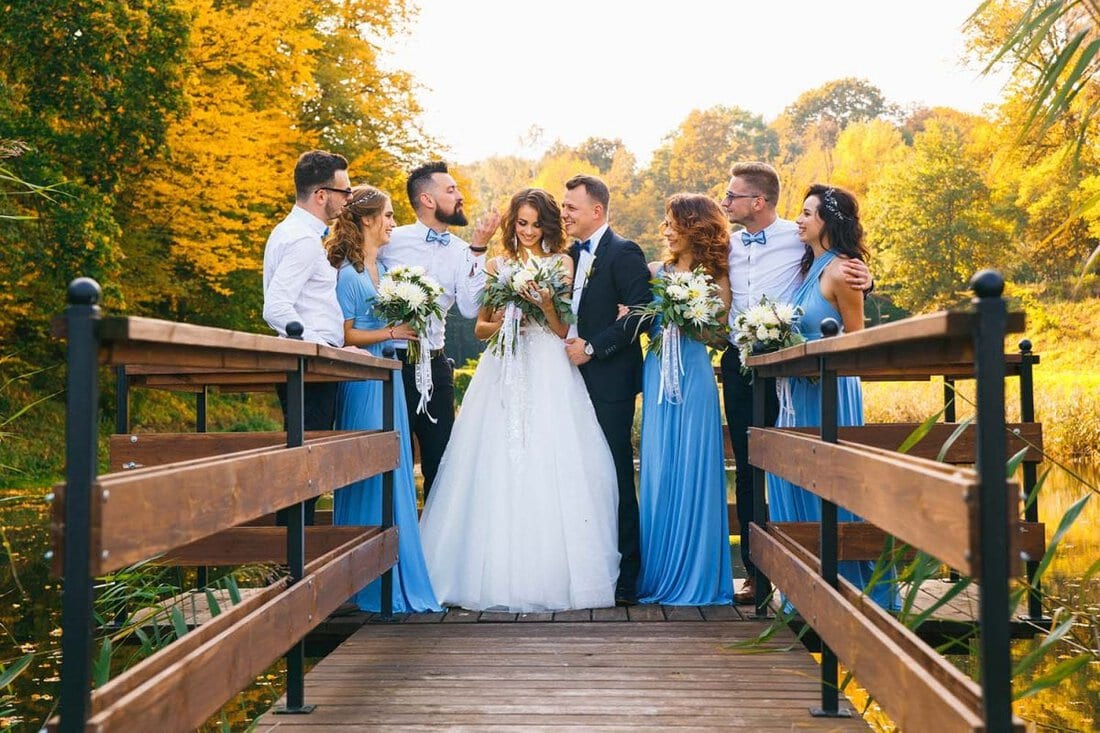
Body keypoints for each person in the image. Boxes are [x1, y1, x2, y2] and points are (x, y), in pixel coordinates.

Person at [419, 188, 620, 612]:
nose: (528, 232)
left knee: (551, 456)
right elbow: (480, 330)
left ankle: (554, 574)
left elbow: (563, 325)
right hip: (504, 367)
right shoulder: (497, 266)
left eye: (536, 224)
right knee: (496, 458)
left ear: (548, 225)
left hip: (548, 366)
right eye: (521, 224)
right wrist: (511, 319)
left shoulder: (562, 263)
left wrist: (543, 304)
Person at [718, 162, 871, 604]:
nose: (726, 202)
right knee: (749, 468)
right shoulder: (725, 243)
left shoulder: (796, 237)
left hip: (793, 376)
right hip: (741, 363)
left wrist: (866, 276)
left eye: (732, 195)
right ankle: (758, 572)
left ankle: (815, 570)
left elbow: (844, 284)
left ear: (758, 201)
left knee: (798, 465)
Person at [767, 184, 897, 610]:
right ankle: (804, 588)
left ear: (828, 222)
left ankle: (850, 587)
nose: (799, 220)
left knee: (831, 482)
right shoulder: (810, 265)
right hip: (796, 394)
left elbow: (855, 339)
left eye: (808, 213)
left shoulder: (842, 271)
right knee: (794, 479)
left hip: (829, 391)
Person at [324, 185, 440, 613]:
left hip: (389, 376)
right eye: (388, 215)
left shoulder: (382, 267)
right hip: (363, 378)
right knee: (367, 469)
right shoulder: (349, 272)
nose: (393, 222)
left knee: (394, 466)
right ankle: (362, 583)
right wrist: (391, 333)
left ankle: (396, 572)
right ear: (369, 219)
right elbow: (345, 333)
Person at [635, 194, 735, 606]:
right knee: (659, 467)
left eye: (672, 223)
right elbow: (637, 321)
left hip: (694, 377)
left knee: (694, 464)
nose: (666, 231)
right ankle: (657, 571)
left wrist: (690, 313)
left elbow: (719, 334)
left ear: (694, 226)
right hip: (657, 373)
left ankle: (696, 575)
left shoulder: (717, 277)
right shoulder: (654, 272)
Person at [379, 161, 499, 499]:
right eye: (451, 190)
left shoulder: (464, 251)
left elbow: (470, 309)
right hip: (392, 364)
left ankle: (433, 545)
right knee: (390, 457)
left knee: (442, 461)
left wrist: (478, 249)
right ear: (427, 200)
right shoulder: (391, 240)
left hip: (436, 364)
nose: (460, 196)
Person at [562, 174, 652, 604]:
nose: (564, 214)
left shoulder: (624, 252)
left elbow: (642, 314)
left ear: (597, 211)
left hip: (610, 382)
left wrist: (594, 347)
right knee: (580, 476)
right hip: (569, 383)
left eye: (571, 207)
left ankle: (627, 578)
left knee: (615, 476)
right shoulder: (567, 256)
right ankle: (588, 566)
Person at [262, 149, 351, 525]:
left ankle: (291, 558)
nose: (348, 199)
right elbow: (276, 307)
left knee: (305, 466)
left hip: (308, 364)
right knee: (306, 468)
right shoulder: (301, 240)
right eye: (344, 192)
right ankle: (290, 559)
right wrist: (318, 347)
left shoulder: (294, 233)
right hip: (309, 367)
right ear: (321, 194)